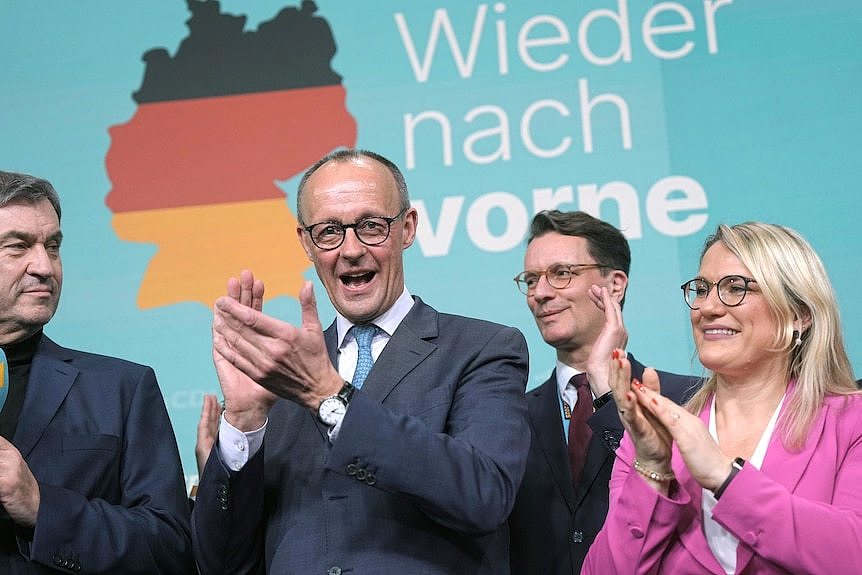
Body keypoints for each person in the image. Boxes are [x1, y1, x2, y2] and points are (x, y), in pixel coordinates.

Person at [191, 149, 530, 574]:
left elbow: (483, 496)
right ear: (306, 244)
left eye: (371, 226)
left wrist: (329, 396)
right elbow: (219, 563)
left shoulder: (483, 348)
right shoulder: (277, 377)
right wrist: (244, 423)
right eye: (329, 231)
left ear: (406, 229)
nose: (350, 250)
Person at [584, 222, 862, 574]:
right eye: (701, 289)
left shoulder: (851, 422)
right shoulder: (651, 438)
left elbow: (853, 555)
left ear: (799, 314)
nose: (708, 307)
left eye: (735, 288)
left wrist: (725, 478)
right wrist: (653, 470)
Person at [0, 171, 194, 573]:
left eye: (52, 247)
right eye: (18, 247)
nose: (45, 267)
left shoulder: (121, 389)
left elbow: (170, 547)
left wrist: (40, 506)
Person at [507, 210, 698, 574]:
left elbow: (676, 503)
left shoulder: (688, 398)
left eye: (561, 274)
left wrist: (605, 385)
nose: (541, 294)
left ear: (615, 285)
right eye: (531, 280)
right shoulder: (511, 413)